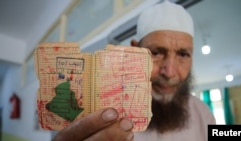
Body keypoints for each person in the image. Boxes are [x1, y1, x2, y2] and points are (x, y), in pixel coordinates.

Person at [52, 1, 216, 141]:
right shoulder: (101, 112)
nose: (169, 72)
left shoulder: (203, 114)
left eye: (183, 54)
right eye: (156, 53)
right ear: (135, 50)